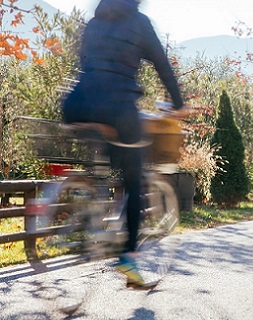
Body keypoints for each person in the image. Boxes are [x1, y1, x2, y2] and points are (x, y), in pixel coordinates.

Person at [62, 0, 186, 287]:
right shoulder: (139, 22)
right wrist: (178, 104)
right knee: (134, 179)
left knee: (105, 163)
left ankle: (93, 206)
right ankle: (128, 258)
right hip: (118, 109)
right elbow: (163, 66)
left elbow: (83, 62)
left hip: (77, 104)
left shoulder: (94, 23)